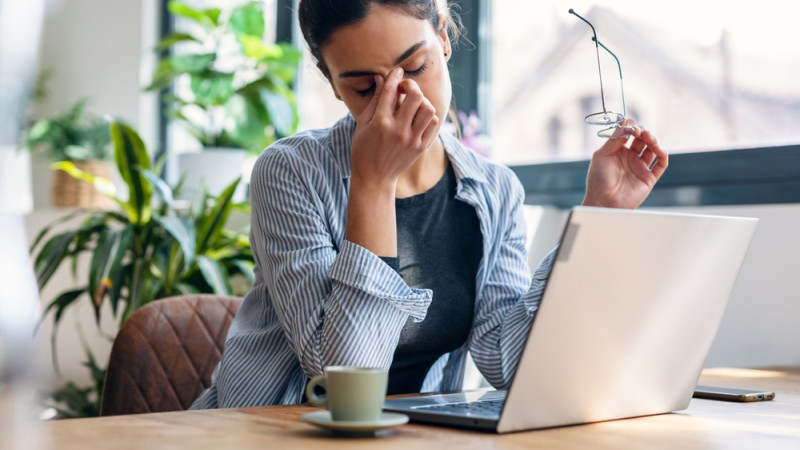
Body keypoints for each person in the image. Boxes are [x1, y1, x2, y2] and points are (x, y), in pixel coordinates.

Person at [190, 0, 667, 409]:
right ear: (332, 82)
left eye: (416, 67)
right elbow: (342, 384)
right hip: (267, 431)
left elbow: (507, 360)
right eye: (364, 88)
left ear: (443, 37)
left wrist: (597, 214)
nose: (401, 98)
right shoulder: (291, 172)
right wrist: (373, 185)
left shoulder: (495, 191)